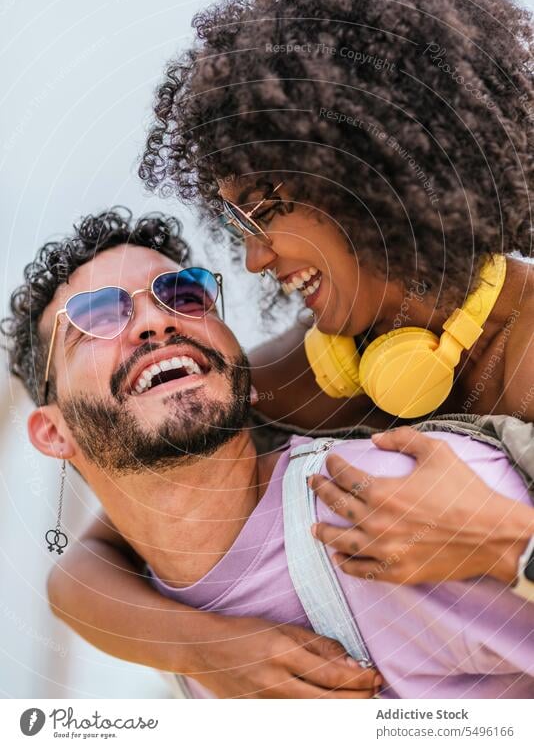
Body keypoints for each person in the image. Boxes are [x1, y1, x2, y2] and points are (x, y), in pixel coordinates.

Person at [136, 0, 534, 585]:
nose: (255, 258)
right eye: (239, 229)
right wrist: (200, 645)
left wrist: (509, 546)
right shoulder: (308, 373)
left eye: (264, 212)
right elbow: (92, 551)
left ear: (368, 175)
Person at [5, 209, 534, 699]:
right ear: (53, 433)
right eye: (97, 315)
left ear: (241, 373)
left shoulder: (386, 502)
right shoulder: (167, 624)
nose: (157, 321)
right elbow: (73, 577)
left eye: (185, 296)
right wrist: (198, 647)